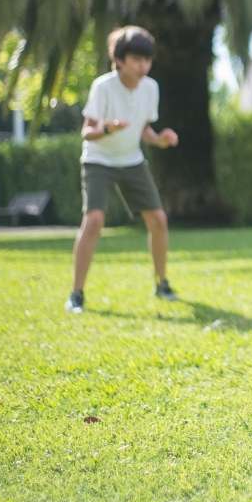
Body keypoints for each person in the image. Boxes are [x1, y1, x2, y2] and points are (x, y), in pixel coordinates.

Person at [65, 26, 181, 313]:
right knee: (93, 221)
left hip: (131, 160)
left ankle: (161, 283)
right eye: (136, 59)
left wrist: (161, 141)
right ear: (120, 60)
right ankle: (76, 294)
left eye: (147, 60)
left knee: (158, 220)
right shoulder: (103, 86)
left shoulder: (151, 87)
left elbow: (144, 131)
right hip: (98, 159)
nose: (143, 66)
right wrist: (107, 127)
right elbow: (87, 132)